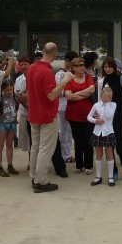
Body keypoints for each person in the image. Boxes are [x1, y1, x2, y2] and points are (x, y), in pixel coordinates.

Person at [25, 42, 74, 193]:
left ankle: (34, 176)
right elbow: (52, 95)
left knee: (36, 147)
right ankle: (40, 181)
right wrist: (65, 80)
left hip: (34, 114)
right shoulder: (47, 72)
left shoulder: (31, 68)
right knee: (45, 149)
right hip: (47, 116)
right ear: (54, 54)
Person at [98, 57, 122, 182]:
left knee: (121, 145)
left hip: (119, 117)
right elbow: (99, 101)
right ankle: (113, 171)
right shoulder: (102, 82)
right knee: (109, 146)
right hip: (107, 119)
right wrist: (99, 117)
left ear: (115, 67)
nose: (107, 69)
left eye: (110, 66)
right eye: (105, 67)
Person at [65, 56, 95, 176]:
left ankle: (88, 165)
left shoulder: (88, 77)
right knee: (77, 140)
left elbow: (91, 90)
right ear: (73, 67)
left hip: (88, 115)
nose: (82, 67)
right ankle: (79, 164)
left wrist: (75, 94)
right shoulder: (69, 80)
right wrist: (83, 94)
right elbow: (68, 96)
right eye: (78, 65)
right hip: (73, 115)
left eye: (82, 65)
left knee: (88, 140)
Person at [87, 85, 117, 187]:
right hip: (97, 132)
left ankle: (110, 177)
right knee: (98, 154)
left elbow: (109, 115)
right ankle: (98, 177)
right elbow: (88, 117)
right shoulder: (96, 105)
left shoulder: (113, 105)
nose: (108, 98)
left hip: (108, 132)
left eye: (110, 97)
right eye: (106, 96)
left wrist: (108, 103)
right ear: (101, 95)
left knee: (109, 153)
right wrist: (96, 120)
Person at [0, 79, 19, 177]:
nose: (9, 92)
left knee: (9, 145)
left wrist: (15, 118)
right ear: (3, 90)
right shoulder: (0, 98)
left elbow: (16, 107)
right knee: (0, 146)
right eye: (7, 90)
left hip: (12, 123)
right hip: (2, 124)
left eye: (10, 89)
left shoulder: (15, 97)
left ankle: (10, 165)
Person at [56, 51, 78, 163]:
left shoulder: (70, 73)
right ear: (68, 61)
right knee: (64, 131)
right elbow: (58, 91)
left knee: (69, 131)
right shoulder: (60, 74)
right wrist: (71, 92)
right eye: (73, 63)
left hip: (70, 104)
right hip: (62, 106)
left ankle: (67, 153)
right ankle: (65, 154)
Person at [14, 56, 31, 163]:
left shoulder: (34, 76)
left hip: (37, 112)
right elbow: (19, 96)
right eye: (21, 64)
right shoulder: (19, 79)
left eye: (26, 64)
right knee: (28, 139)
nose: (23, 66)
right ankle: (31, 161)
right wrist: (28, 107)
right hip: (25, 113)